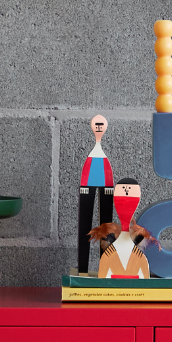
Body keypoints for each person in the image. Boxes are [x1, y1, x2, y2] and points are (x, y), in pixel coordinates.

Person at [77, 115, 115, 272]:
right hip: (88, 189)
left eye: (101, 125)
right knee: (85, 226)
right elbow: (85, 174)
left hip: (106, 189)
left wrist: (109, 188)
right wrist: (84, 187)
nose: (99, 127)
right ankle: (83, 270)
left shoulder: (103, 158)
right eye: (96, 125)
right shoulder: (92, 157)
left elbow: (108, 174)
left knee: (106, 228)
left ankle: (105, 269)